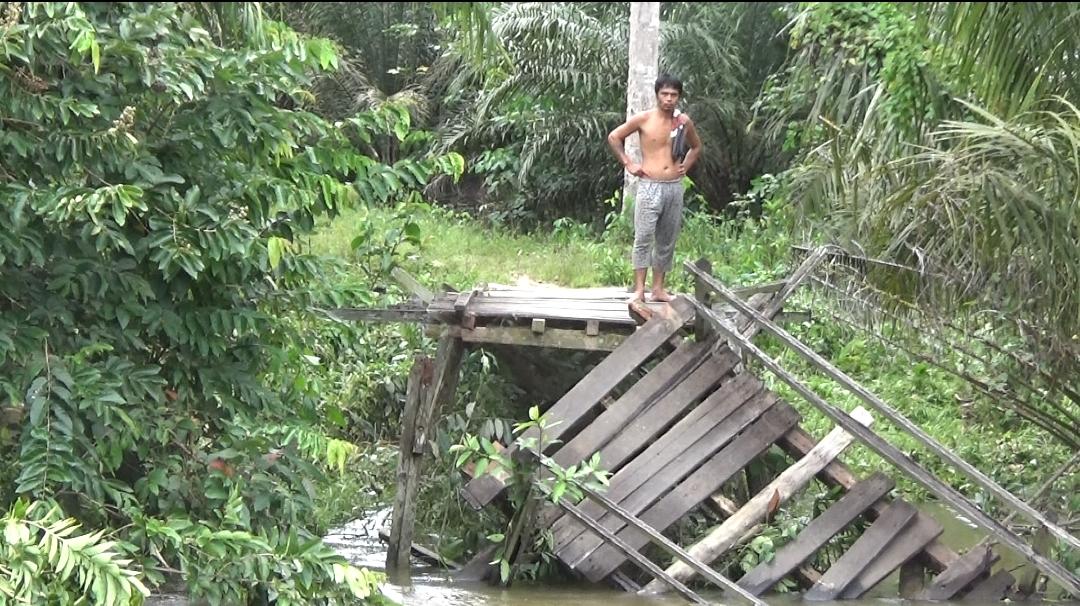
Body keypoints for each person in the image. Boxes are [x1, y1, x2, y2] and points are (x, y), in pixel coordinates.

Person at [607, 73, 702, 303]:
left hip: (673, 186)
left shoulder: (682, 122)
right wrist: (628, 163)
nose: (669, 99)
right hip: (650, 185)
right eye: (665, 94)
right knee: (644, 236)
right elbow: (614, 137)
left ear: (679, 97)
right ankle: (639, 289)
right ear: (657, 95)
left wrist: (685, 166)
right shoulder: (644, 119)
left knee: (667, 238)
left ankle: (658, 288)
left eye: (674, 95)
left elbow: (696, 147)